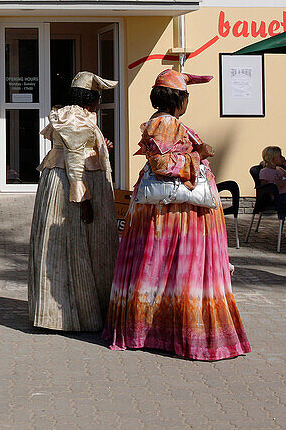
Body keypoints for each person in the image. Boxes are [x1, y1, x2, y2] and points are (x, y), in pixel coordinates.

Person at [103, 69, 250, 361]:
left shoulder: (160, 122)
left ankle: (153, 327)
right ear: (179, 99)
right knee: (179, 265)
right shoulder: (167, 123)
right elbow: (161, 164)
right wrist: (200, 155)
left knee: (157, 263)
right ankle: (180, 332)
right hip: (176, 211)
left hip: (167, 208)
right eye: (186, 96)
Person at [28, 72, 118, 332]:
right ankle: (77, 313)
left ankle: (60, 311)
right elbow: (75, 160)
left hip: (59, 179)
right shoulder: (75, 117)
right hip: (72, 185)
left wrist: (101, 147)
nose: (99, 104)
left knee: (58, 245)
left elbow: (76, 147)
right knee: (78, 242)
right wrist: (82, 197)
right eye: (98, 98)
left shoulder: (67, 114)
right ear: (90, 98)